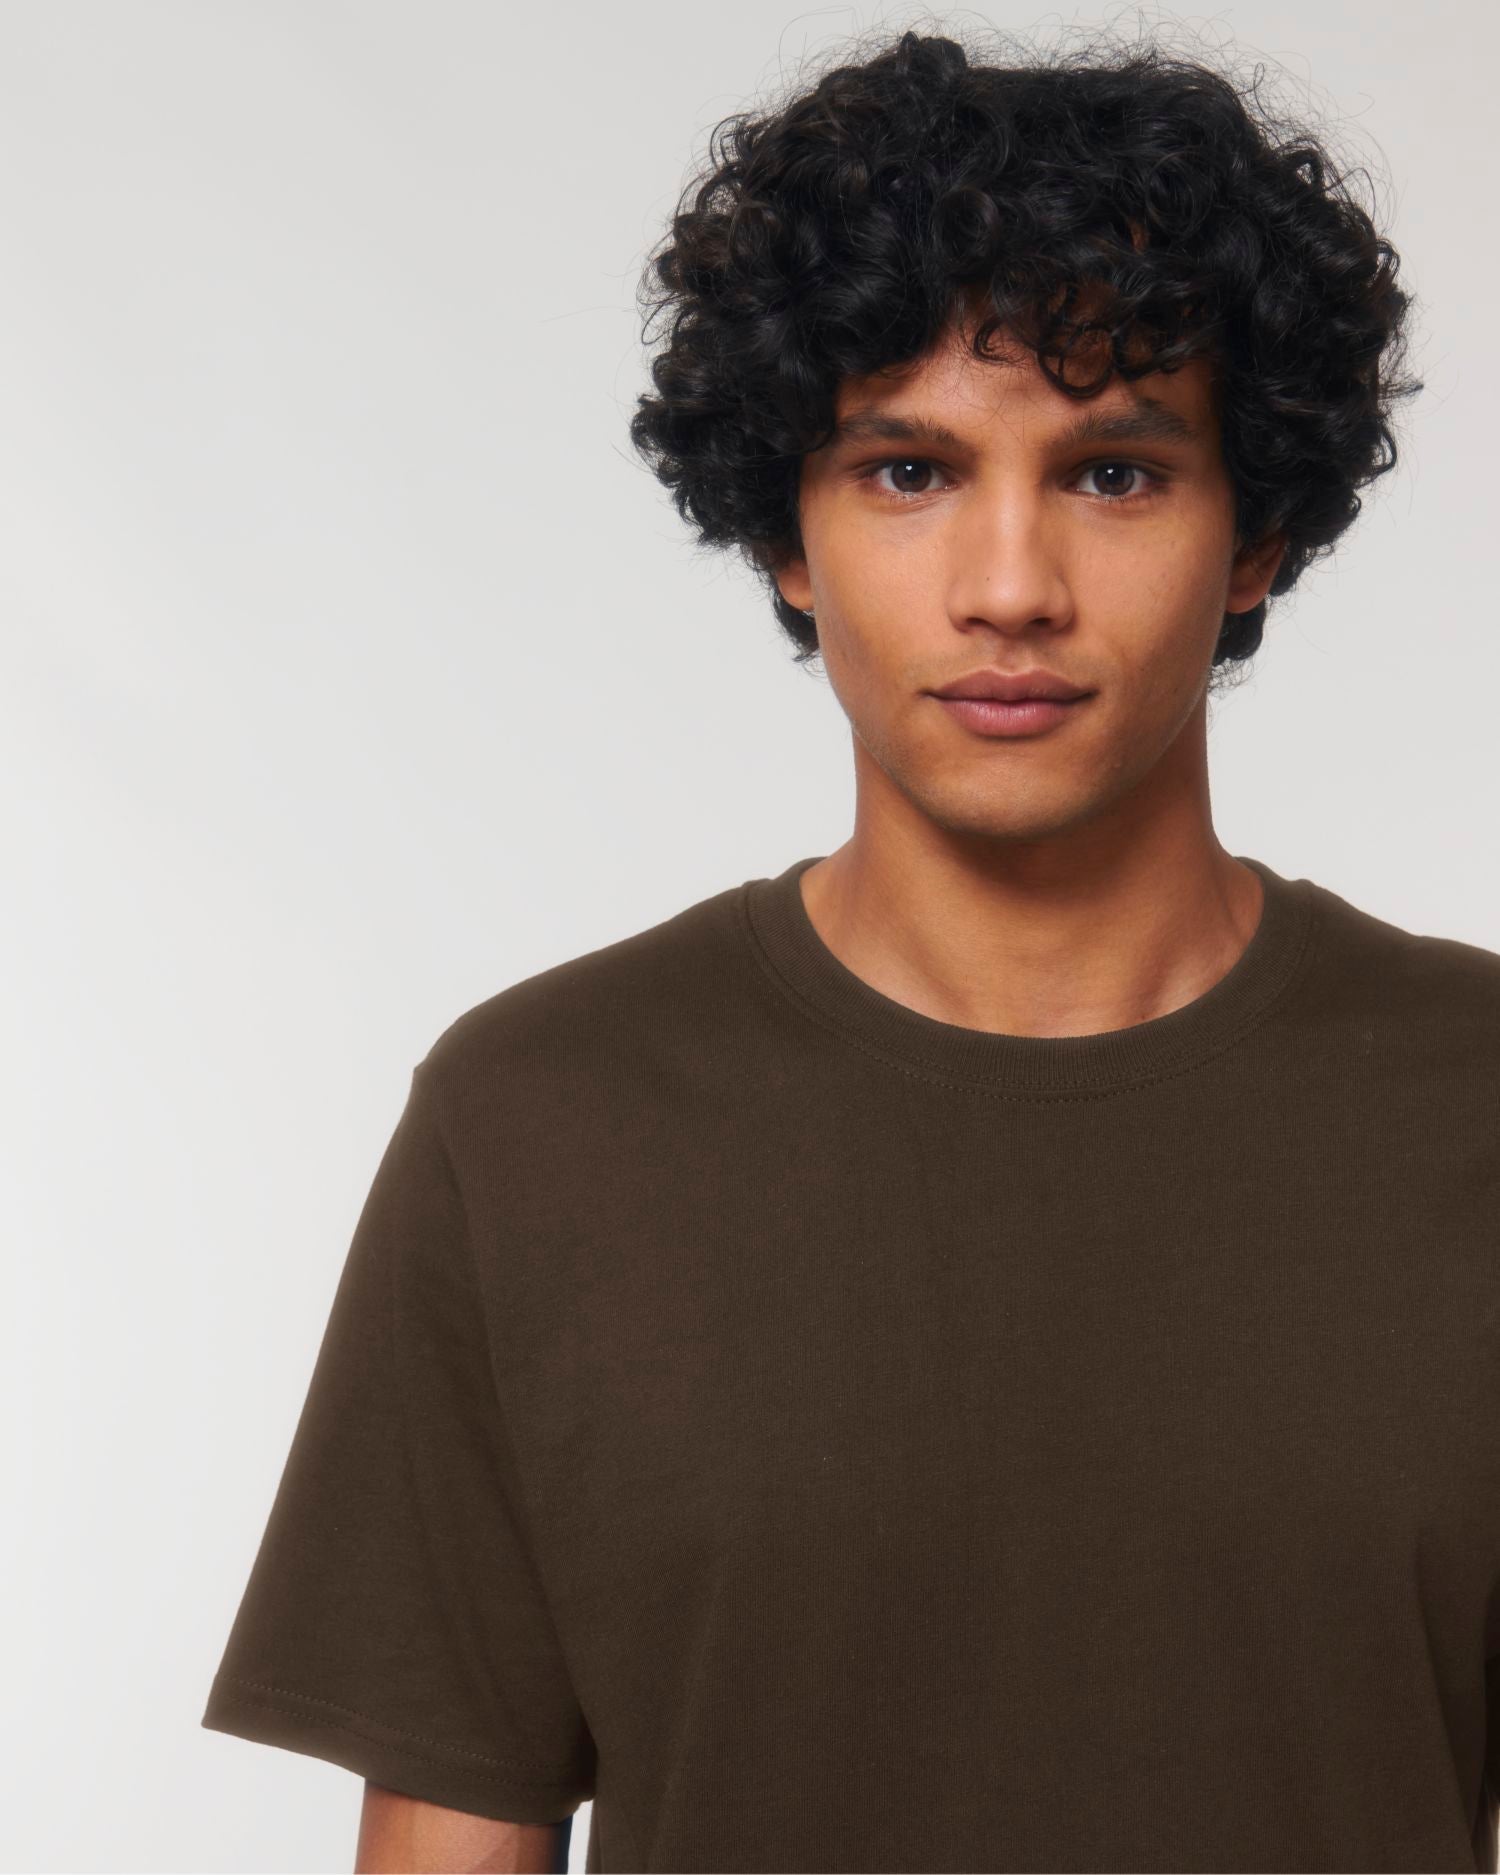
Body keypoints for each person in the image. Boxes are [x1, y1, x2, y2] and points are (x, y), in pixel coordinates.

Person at [201, 23, 1500, 1875]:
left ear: (1255, 535)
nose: (1009, 587)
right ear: (787, 537)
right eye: (907, 470)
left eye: (1113, 473)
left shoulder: (1477, 1110)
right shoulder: (541, 1124)